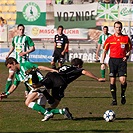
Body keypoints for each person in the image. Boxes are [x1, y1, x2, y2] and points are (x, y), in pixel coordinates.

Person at [0, 57, 73, 121]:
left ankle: (48, 114)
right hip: (37, 89)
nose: (11, 69)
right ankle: (62, 111)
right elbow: (14, 86)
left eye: (10, 67)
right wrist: (6, 94)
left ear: (13, 63)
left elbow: (39, 67)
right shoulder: (17, 75)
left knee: (27, 102)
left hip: (41, 86)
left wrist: (52, 70)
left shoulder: (26, 65)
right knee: (41, 111)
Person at [31, 58, 105, 110]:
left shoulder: (65, 66)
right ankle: (49, 103)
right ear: (79, 66)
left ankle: (34, 76)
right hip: (59, 81)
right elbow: (85, 72)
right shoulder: (76, 69)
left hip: (50, 75)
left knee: (36, 85)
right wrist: (97, 78)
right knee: (54, 103)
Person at [101, 21, 132, 105]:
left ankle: (122, 95)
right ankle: (114, 100)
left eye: (119, 27)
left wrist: (127, 56)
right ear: (114, 28)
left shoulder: (126, 38)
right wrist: (102, 62)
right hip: (112, 61)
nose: (118, 29)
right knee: (112, 81)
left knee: (123, 80)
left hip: (122, 61)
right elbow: (105, 51)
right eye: (117, 27)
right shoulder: (110, 39)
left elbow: (129, 50)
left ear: (121, 28)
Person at [4, 24, 35, 97]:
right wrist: (8, 54)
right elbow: (12, 47)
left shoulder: (27, 38)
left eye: (23, 29)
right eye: (20, 29)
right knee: (11, 75)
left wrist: (25, 52)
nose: (21, 31)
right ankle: (5, 92)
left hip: (23, 61)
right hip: (15, 61)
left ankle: (27, 90)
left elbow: (33, 48)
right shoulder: (15, 39)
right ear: (17, 30)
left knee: (25, 76)